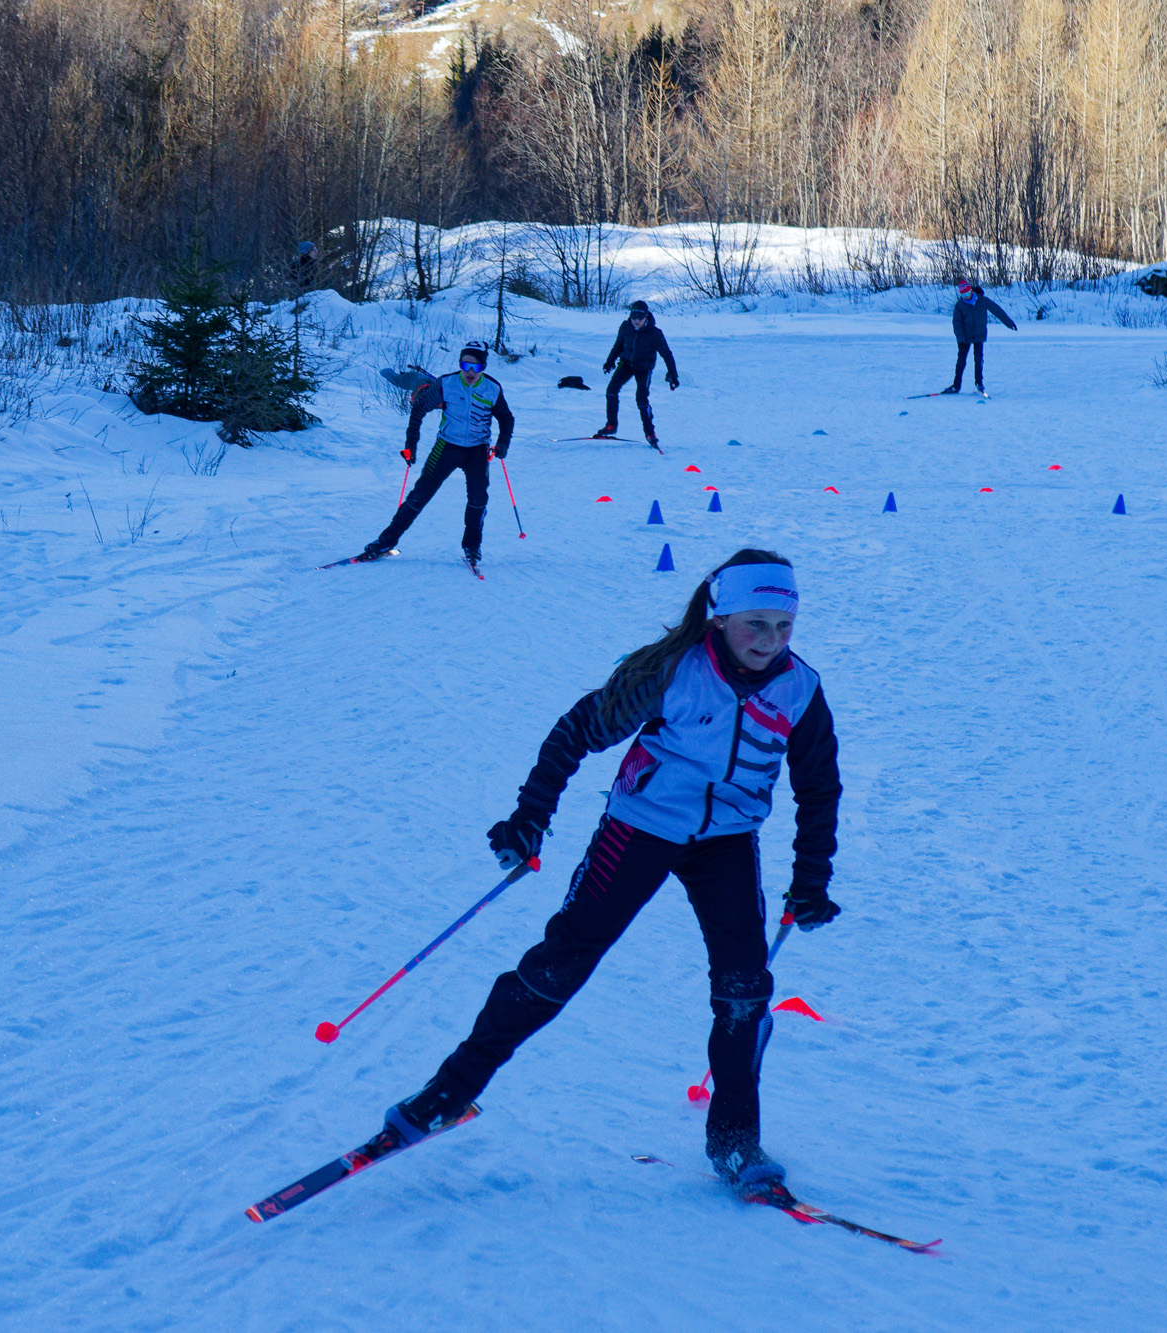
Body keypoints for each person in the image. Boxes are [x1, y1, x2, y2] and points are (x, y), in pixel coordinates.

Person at [381, 550, 843, 1193]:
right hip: (639, 828)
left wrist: (811, 879)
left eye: (783, 626)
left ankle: (736, 1143)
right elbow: (576, 731)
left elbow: (819, 787)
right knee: (559, 965)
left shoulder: (800, 689)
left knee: (744, 990)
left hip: (727, 841)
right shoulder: (674, 671)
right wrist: (530, 815)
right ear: (721, 618)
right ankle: (447, 1094)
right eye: (755, 624)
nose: (769, 641)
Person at [361, 341, 514, 565]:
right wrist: (411, 445)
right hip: (446, 447)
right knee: (419, 495)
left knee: (478, 499)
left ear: (484, 367)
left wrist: (502, 444)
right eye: (465, 365)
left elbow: (506, 418)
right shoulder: (447, 384)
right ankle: (385, 542)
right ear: (460, 364)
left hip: (477, 450)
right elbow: (419, 408)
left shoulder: (492, 389)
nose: (470, 372)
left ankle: (472, 547)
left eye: (477, 367)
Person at [597, 299, 679, 445]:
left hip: (644, 368)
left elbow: (666, 354)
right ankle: (611, 425)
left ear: (646, 316)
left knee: (641, 399)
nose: (636, 320)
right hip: (626, 364)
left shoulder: (655, 333)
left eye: (640, 317)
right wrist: (610, 362)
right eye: (633, 316)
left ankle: (650, 432)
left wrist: (673, 374)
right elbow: (618, 345)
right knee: (611, 391)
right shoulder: (625, 327)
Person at [944, 279, 1017, 394]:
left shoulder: (982, 300)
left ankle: (979, 383)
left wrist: (1009, 323)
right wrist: (960, 338)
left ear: (971, 291)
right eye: (963, 295)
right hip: (965, 337)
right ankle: (956, 386)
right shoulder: (959, 305)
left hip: (979, 335)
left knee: (978, 359)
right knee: (961, 361)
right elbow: (957, 324)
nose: (966, 296)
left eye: (967, 293)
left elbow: (997, 311)